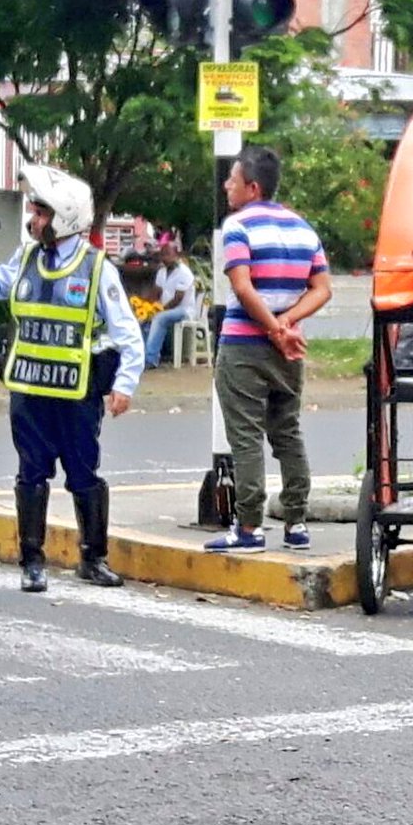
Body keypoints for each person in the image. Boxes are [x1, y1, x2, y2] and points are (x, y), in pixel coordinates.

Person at [0, 164, 144, 592]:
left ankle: (93, 559)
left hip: (76, 393)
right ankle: (31, 562)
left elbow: (127, 333)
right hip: (28, 391)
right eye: (34, 212)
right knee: (31, 474)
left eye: (41, 213)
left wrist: (124, 385)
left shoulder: (97, 269)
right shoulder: (26, 257)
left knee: (84, 475)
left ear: (63, 217)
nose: (33, 220)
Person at [204, 145, 332, 553]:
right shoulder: (303, 229)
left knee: (246, 438)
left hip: (243, 347)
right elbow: (323, 289)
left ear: (252, 187)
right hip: (288, 352)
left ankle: (249, 528)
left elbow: (242, 287)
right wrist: (288, 324)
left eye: (233, 179)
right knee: (288, 432)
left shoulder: (238, 227)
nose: (226, 185)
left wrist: (275, 328)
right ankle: (296, 523)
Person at [143, 231, 197, 368]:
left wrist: (159, 310)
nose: (164, 258)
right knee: (143, 319)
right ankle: (142, 356)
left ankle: (151, 359)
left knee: (159, 318)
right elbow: (156, 293)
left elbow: (178, 299)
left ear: (176, 255)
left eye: (168, 254)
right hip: (165, 309)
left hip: (184, 311)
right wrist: (146, 308)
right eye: (162, 254)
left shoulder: (184, 272)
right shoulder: (162, 272)